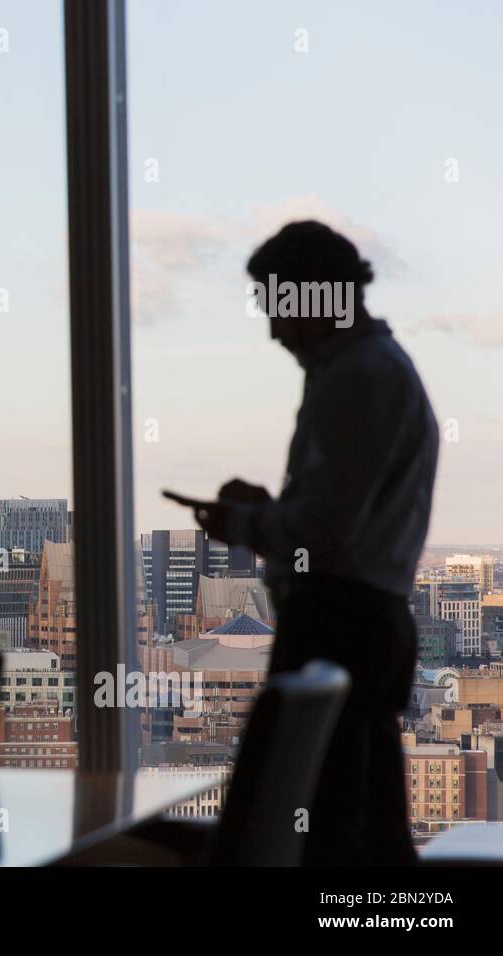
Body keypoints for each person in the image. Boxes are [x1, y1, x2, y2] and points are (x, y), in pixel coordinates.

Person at [179, 220, 438, 865]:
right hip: (360, 618)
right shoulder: (374, 372)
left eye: (278, 308)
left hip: (335, 619)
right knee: (362, 829)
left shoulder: (358, 379)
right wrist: (274, 514)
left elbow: (326, 529)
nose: (274, 330)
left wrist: (245, 525)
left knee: (334, 830)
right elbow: (339, 516)